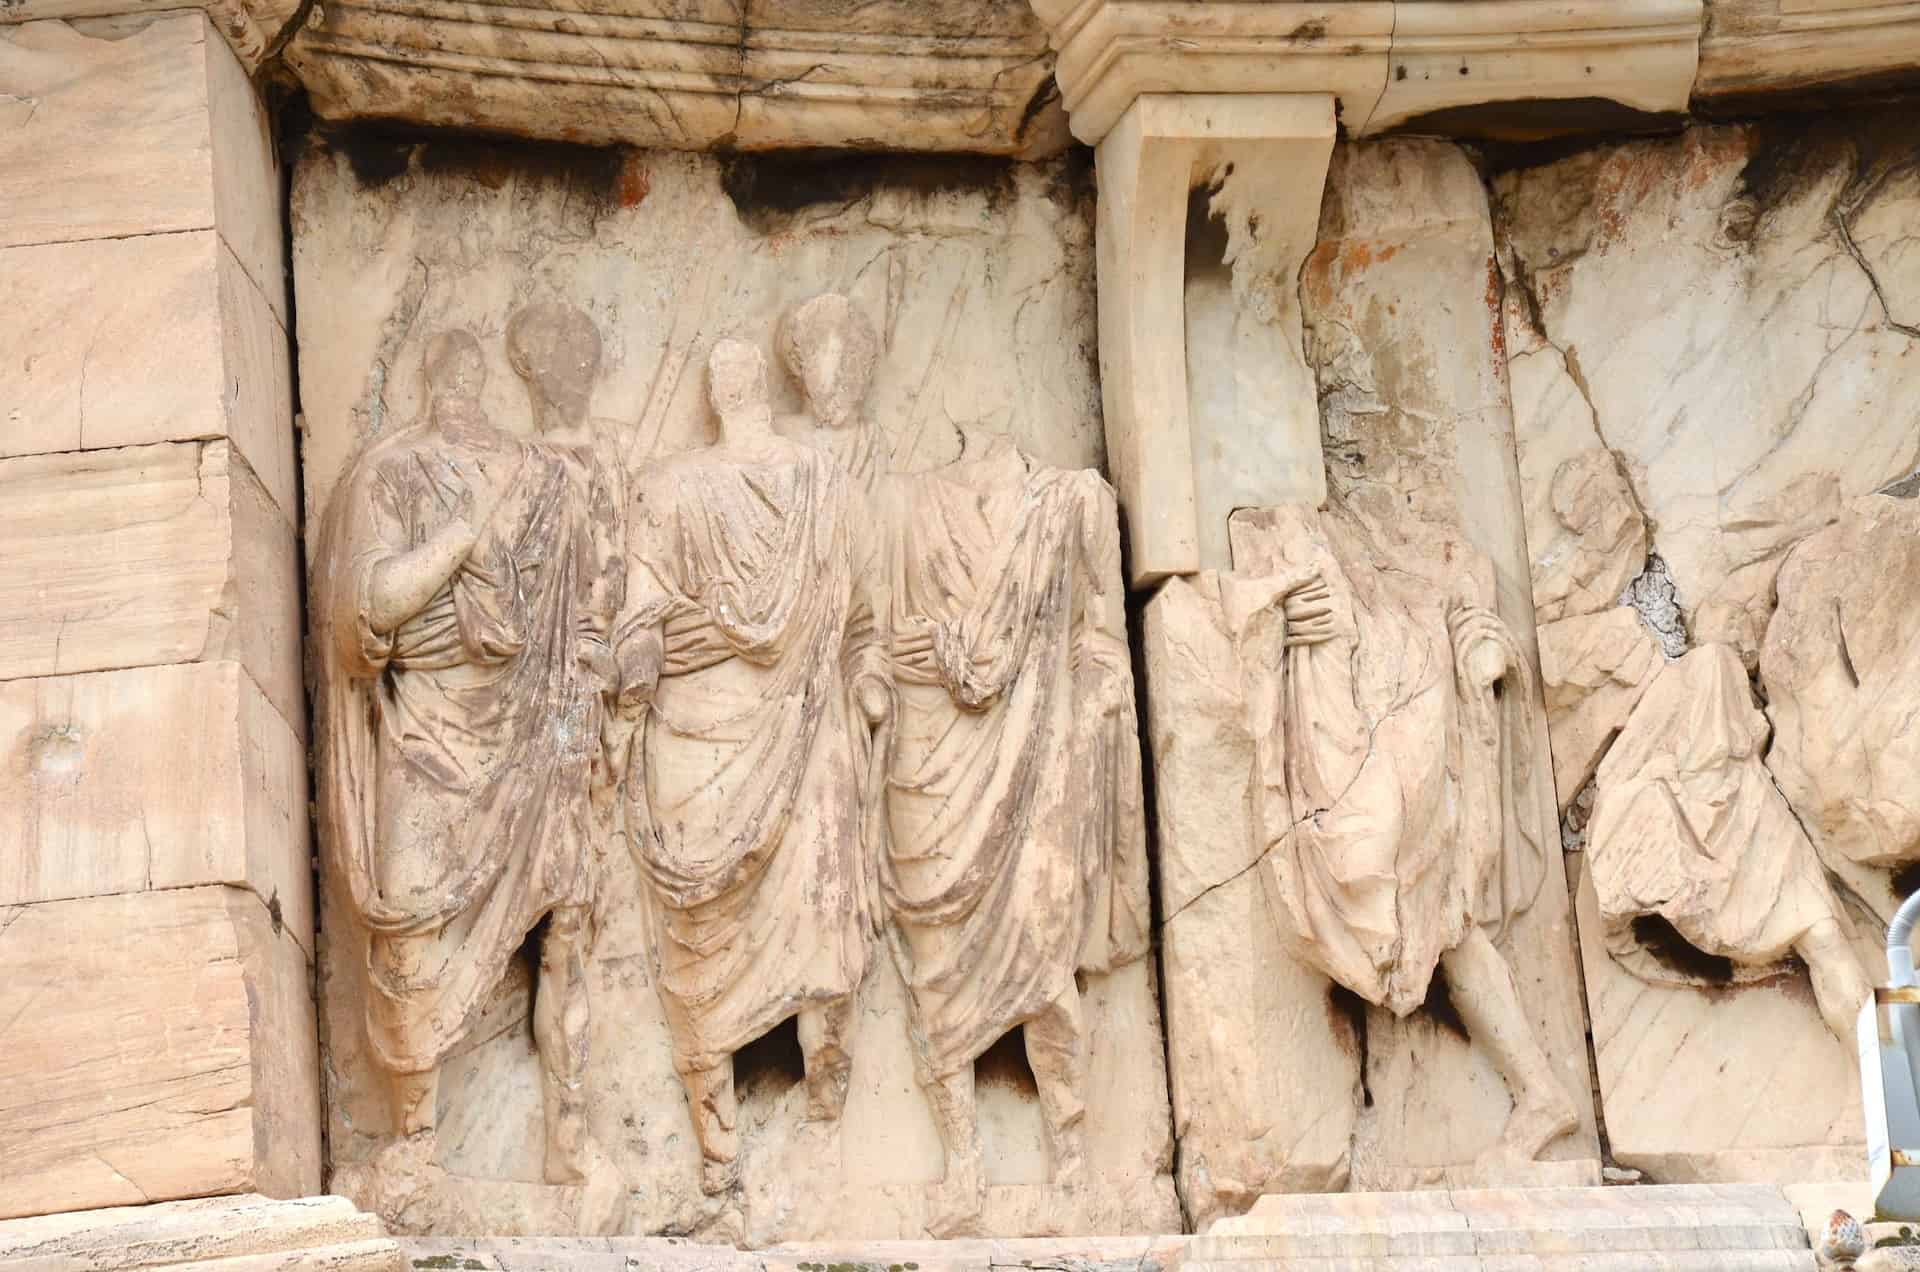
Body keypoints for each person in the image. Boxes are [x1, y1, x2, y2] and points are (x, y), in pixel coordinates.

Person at [313, 326, 621, 1188]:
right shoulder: (391, 472)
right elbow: (368, 606)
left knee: (564, 928)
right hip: (426, 726)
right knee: (408, 923)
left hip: (535, 730)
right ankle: (414, 1139)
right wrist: (458, 539)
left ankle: (567, 1132)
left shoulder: (549, 480)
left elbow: (598, 606)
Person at [1227, 500, 1581, 1166]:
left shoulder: (1437, 563)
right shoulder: (1291, 536)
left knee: (1423, 911)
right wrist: (1273, 610)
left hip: (1409, 740)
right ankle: (1518, 1096)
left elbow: (1479, 624)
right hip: (1346, 737)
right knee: (1427, 922)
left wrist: (1479, 657)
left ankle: (1526, 1096)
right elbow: (1235, 600)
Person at [617, 338, 876, 1195]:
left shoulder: (818, 482)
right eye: (723, 373)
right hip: (700, 731)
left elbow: (858, 614)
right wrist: (627, 672)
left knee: (820, 922)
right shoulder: (672, 484)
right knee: (700, 929)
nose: (732, 382)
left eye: (735, 372)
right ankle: (719, 1142)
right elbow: (641, 614)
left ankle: (821, 1122)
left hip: (803, 723)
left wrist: (869, 683)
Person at [874, 431, 1150, 1235]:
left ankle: (1071, 1166)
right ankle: (963, 1164)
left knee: (1042, 959)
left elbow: (1100, 633)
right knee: (935, 968)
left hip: (1038, 750)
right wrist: (920, 661)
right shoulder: (902, 502)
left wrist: (1089, 717)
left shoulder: (1071, 500)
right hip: (932, 762)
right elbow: (881, 638)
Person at [776, 292, 883, 489]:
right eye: (838, 352)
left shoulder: (870, 438)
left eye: (860, 355)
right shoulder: (779, 434)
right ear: (798, 362)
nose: (851, 370)